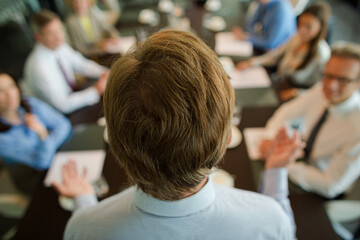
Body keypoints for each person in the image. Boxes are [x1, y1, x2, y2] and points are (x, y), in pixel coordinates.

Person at [53, 30, 304, 239]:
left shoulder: (81, 229)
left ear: (115, 145)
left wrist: (85, 202)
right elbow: (283, 230)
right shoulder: (267, 219)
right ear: (228, 138)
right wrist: (275, 173)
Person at [259, 42, 360, 199]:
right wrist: (270, 139)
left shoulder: (357, 128)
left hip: (316, 188)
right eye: (328, 75)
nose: (331, 85)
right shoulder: (321, 90)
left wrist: (285, 163)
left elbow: (331, 185)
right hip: (299, 159)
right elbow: (286, 112)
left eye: (343, 79)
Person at [237, 3, 331, 101]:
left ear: (320, 28)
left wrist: (297, 92)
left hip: (296, 97)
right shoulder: (297, 37)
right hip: (279, 83)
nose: (302, 30)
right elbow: (276, 54)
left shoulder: (322, 55)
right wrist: (252, 63)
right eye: (301, 23)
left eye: (308, 26)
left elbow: (321, 88)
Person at [23, 10, 109, 114]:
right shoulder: (38, 67)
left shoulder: (59, 46)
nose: (59, 36)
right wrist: (96, 90)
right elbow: (63, 105)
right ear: (38, 37)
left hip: (73, 97)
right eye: (51, 33)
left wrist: (106, 73)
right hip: (62, 114)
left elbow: (82, 64)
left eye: (59, 30)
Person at [0, 72, 71, 194]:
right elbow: (42, 163)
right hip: (34, 178)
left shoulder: (29, 103)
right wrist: (43, 134)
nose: (9, 94)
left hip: (57, 159)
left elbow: (63, 124)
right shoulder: (2, 139)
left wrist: (48, 144)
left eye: (11, 86)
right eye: (1, 91)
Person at [232, 0, 296, 53]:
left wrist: (247, 38)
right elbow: (250, 24)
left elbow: (270, 44)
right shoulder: (263, 3)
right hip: (265, 46)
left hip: (277, 53)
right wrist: (249, 36)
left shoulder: (281, 9)